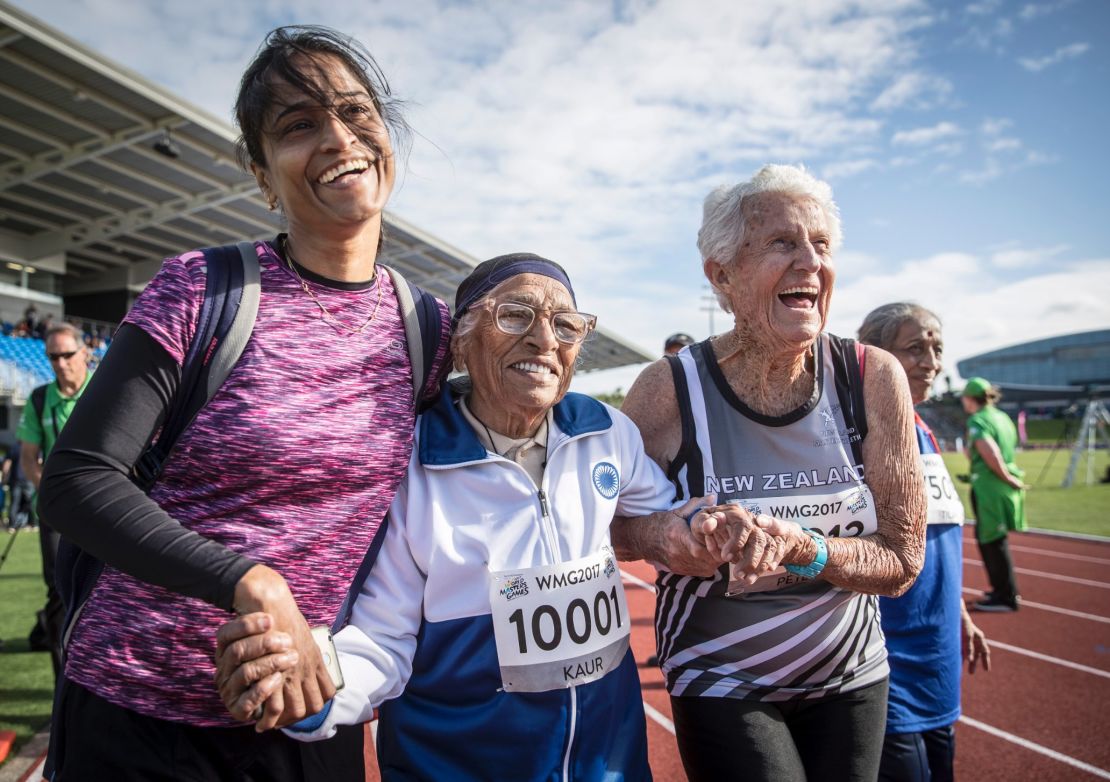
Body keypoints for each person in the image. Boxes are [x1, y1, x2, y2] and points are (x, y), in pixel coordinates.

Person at [36, 25, 450, 781]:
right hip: (138, 712)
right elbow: (76, 480)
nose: (337, 137)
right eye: (298, 125)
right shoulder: (202, 289)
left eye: (356, 112)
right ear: (263, 176)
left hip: (304, 710)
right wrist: (251, 580)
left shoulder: (429, 329)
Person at [215, 253, 731, 780]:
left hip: (611, 764)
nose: (544, 340)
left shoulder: (605, 431)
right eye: (515, 315)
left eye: (565, 325)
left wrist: (707, 528)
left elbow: (667, 515)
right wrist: (315, 689)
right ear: (462, 341)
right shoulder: (411, 462)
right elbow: (383, 638)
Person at [611, 164, 927, 782]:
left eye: (822, 244)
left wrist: (804, 551)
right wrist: (668, 538)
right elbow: (609, 525)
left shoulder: (873, 377)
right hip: (719, 671)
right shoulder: (670, 388)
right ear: (721, 275)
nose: (810, 261)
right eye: (783, 242)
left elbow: (903, 560)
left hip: (851, 671)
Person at [858, 302, 991, 782]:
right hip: (884, 650)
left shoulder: (927, 434)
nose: (931, 362)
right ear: (875, 356)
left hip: (938, 650)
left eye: (936, 348)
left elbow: (935, 539)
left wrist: (961, 614)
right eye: (915, 348)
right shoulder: (858, 436)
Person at [15, 322, 92, 679]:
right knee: (59, 594)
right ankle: (63, 686)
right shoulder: (40, 398)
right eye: (52, 357)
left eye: (67, 355)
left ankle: (103, 685)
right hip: (57, 513)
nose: (60, 363)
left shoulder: (105, 389)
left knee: (106, 590)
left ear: (85, 353)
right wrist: (51, 490)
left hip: (101, 509)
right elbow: (29, 457)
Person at [961, 376, 1026, 612]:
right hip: (1001, 485)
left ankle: (1005, 596)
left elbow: (990, 451)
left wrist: (1007, 478)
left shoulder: (978, 420)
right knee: (994, 540)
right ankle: (1001, 590)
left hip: (990, 487)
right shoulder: (1002, 417)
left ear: (970, 399)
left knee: (991, 541)